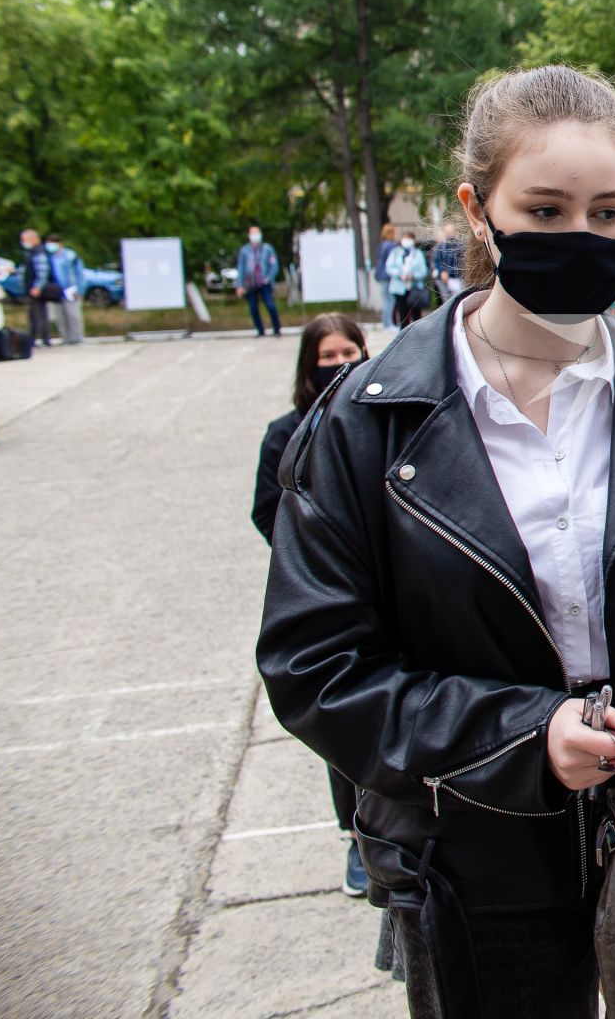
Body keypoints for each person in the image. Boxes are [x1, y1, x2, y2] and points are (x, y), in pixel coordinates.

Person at [258, 65, 615, 1018]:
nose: (579, 238)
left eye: (607, 213)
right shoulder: (362, 424)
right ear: (477, 210)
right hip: (473, 862)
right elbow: (317, 667)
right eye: (544, 211)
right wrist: (523, 737)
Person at [250, 312, 370, 896]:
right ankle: (355, 837)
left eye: (350, 349)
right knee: (344, 720)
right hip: (329, 589)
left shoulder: (381, 415)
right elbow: (266, 510)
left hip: (383, 587)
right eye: (328, 355)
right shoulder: (286, 430)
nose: (341, 362)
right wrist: (315, 558)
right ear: (309, 364)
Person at [237, 225, 283, 337]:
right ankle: (260, 330)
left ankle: (276, 328)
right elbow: (241, 268)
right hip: (250, 283)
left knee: (270, 305)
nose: (255, 235)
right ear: (249, 235)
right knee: (253, 308)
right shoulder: (244, 250)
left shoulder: (267, 249)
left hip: (264, 282)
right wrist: (239, 285)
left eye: (257, 233)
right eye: (253, 233)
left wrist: (268, 278)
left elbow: (274, 265)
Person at [44, 235, 86, 344]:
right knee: (60, 315)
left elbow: (79, 273)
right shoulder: (50, 257)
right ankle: (66, 337)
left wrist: (79, 289)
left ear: (60, 243)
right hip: (57, 290)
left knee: (73, 314)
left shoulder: (70, 255)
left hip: (71, 288)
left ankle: (77, 337)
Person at [19, 228, 57, 347]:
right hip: (33, 287)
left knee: (36, 315)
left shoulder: (38, 252)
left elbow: (42, 271)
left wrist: (37, 287)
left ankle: (36, 339)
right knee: (39, 314)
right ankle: (43, 338)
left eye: (24, 240)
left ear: (33, 239)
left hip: (35, 288)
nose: (23, 242)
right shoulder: (32, 252)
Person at [385, 230, 430, 329]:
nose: (406, 241)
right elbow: (389, 267)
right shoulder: (396, 252)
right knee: (402, 313)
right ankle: (403, 333)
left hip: (414, 288)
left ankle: (417, 333)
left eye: (409, 239)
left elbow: (423, 271)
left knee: (416, 314)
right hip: (399, 287)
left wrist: (413, 275)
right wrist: (399, 274)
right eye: (405, 238)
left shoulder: (418, 254)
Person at [373, 221, 399, 332]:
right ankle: (388, 324)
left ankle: (386, 323)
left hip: (382, 275)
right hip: (388, 276)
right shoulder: (391, 246)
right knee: (390, 300)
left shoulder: (383, 244)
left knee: (387, 300)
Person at [432, 222, 465, 299]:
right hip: (443, 279)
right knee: (446, 300)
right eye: (447, 232)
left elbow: (461, 262)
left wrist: (450, 272)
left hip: (456, 278)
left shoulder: (459, 246)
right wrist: (442, 271)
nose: (449, 234)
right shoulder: (440, 247)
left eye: (451, 232)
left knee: (458, 299)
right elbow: (437, 261)